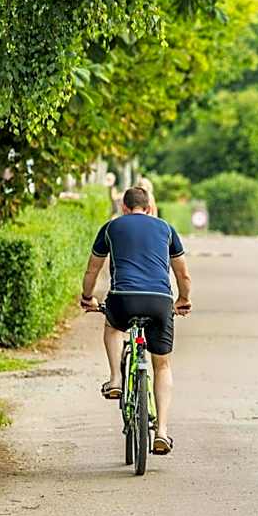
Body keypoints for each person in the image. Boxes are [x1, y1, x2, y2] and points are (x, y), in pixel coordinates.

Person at [80, 187, 192, 456]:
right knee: (162, 365)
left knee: (113, 327)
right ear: (150, 208)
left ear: (124, 208)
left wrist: (87, 297)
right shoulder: (166, 229)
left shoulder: (111, 228)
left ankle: (116, 379)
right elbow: (183, 274)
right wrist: (183, 300)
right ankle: (161, 432)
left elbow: (93, 269)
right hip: (160, 302)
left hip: (123, 299)